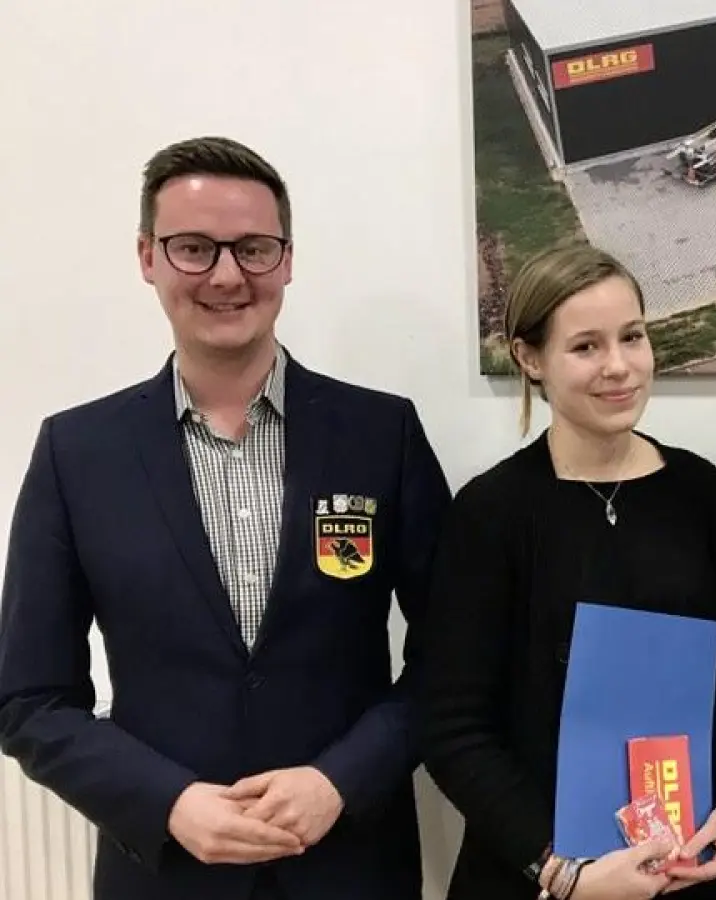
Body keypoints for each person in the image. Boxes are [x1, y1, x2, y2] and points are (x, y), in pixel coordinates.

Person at [0, 136, 452, 899]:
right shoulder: (76, 453)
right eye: (193, 248)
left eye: (253, 248)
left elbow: (454, 656)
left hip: (352, 867)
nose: (226, 275)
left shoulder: (383, 435)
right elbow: (30, 701)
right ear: (147, 256)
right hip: (166, 874)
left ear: (287, 259)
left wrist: (338, 780)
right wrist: (168, 802)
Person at [419, 242, 716, 900]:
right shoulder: (491, 511)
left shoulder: (698, 490)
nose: (620, 367)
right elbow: (451, 724)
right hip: (539, 877)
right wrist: (561, 870)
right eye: (585, 347)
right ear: (530, 358)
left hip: (688, 867)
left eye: (632, 337)